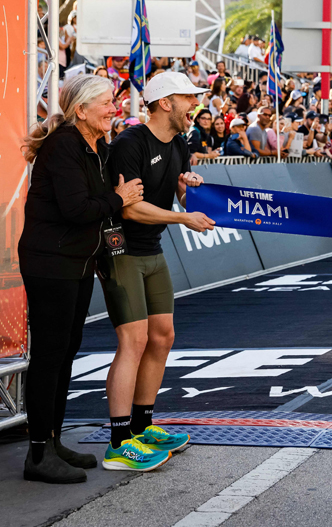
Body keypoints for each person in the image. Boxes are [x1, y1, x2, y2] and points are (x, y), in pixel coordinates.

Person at [18, 75, 145, 484]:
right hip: (50, 262)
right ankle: (38, 453)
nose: (114, 108)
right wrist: (119, 199)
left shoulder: (98, 146)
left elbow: (100, 204)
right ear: (81, 110)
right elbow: (77, 209)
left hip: (78, 262)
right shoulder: (64, 145)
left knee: (66, 352)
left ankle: (53, 442)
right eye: (106, 102)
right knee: (49, 356)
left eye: (113, 101)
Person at [102, 72, 216, 471]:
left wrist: (190, 188)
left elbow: (181, 193)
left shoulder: (180, 142)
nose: (195, 104)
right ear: (165, 103)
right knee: (132, 341)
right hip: (121, 250)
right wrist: (183, 218)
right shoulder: (130, 143)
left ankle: (142, 426)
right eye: (189, 97)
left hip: (152, 248)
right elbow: (130, 208)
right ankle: (119, 443)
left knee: (162, 336)